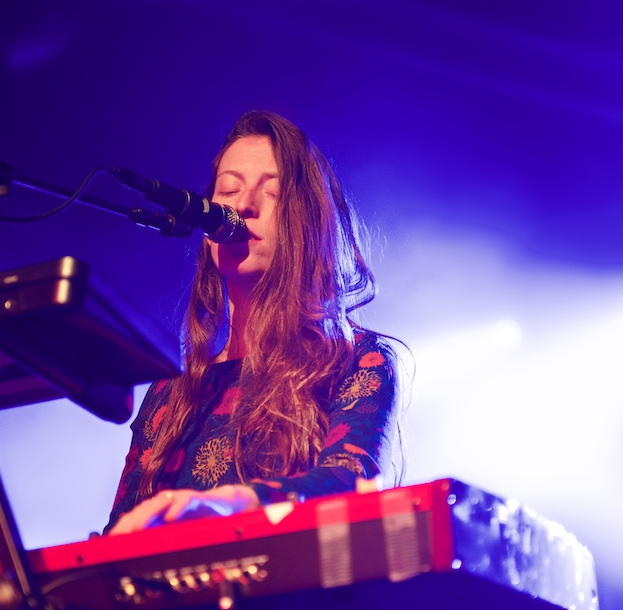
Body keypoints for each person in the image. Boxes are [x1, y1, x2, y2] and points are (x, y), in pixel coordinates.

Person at [105, 110, 406, 535]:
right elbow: (121, 531)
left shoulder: (362, 361)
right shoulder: (168, 391)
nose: (243, 206)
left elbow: (350, 481)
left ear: (310, 222)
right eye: (228, 190)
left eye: (273, 194)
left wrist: (230, 506)